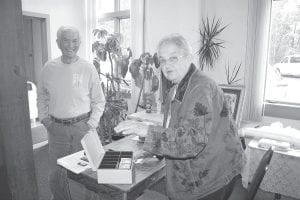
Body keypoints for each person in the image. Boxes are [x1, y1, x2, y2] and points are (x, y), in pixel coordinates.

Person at [115, 34, 245, 200]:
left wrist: (147, 131)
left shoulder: (200, 89)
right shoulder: (176, 88)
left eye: (173, 58)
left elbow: (191, 143)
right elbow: (176, 130)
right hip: (206, 168)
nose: (166, 65)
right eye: (162, 60)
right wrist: (152, 152)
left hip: (212, 175)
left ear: (189, 58)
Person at [37, 26, 106, 200]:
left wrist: (92, 123)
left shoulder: (88, 68)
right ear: (58, 43)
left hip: (82, 127)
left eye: (75, 41)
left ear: (80, 42)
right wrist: (45, 119)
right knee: (56, 173)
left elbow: (99, 100)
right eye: (66, 40)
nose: (70, 45)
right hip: (56, 128)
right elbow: (41, 96)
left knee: (89, 171)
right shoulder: (49, 68)